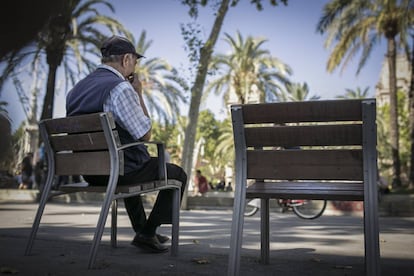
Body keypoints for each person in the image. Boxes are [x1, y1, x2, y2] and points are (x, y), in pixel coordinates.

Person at [66, 35, 187, 254]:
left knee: (126, 166)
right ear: (126, 60)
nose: (135, 67)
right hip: (118, 169)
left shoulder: (75, 90)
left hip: (90, 172)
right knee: (176, 174)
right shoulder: (120, 88)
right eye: (135, 62)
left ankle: (143, 229)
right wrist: (138, 93)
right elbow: (145, 134)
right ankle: (148, 233)